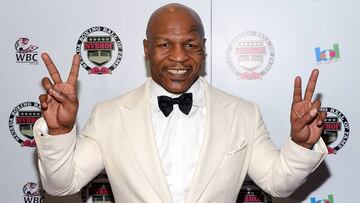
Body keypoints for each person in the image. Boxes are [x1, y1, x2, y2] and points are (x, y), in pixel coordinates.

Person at [34, 3, 327, 203]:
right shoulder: (109, 116)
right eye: (165, 45)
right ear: (147, 49)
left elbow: (279, 183)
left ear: (204, 49)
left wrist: (301, 145)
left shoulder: (243, 114)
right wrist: (59, 133)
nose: (178, 57)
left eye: (190, 45)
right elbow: (61, 185)